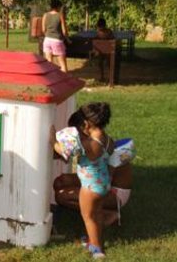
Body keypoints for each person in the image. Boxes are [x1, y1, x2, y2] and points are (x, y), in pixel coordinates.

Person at [52, 103, 114, 259]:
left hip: (90, 188)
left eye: (79, 130)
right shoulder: (107, 139)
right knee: (97, 214)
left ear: (86, 125)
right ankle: (96, 240)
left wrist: (53, 140)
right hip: (103, 183)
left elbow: (63, 151)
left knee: (88, 217)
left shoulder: (89, 144)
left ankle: (96, 249)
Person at [54, 162, 132, 228]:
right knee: (60, 181)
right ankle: (95, 209)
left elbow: (104, 182)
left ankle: (106, 214)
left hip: (113, 192)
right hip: (96, 178)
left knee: (62, 196)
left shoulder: (111, 151)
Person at [42, 0, 69, 72]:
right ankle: (64, 79)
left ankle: (51, 79)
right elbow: (64, 31)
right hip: (57, 41)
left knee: (49, 65)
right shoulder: (60, 15)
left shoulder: (45, 15)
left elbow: (43, 30)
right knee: (63, 65)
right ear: (58, 6)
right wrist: (67, 39)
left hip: (47, 41)